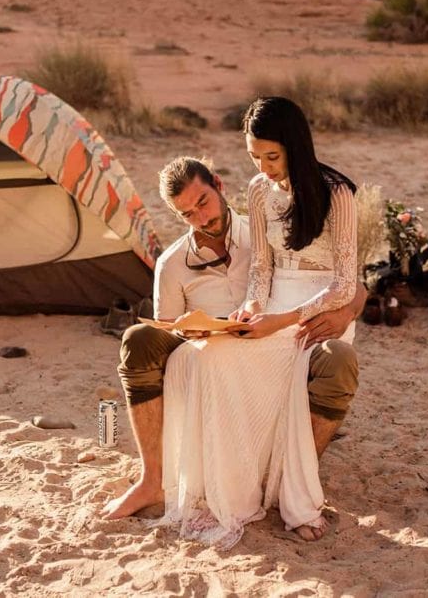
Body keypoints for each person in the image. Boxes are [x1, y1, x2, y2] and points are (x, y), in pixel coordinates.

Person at [101, 155, 364, 524]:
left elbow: (345, 280)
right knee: (138, 339)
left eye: (203, 202)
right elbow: (167, 332)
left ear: (220, 186)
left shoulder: (266, 233)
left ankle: (291, 481)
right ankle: (152, 480)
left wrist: (348, 309)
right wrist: (190, 332)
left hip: (279, 345)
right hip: (208, 351)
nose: (201, 218)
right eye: (187, 214)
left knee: (338, 359)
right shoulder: (172, 264)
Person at [157, 96, 358, 547]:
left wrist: (283, 320)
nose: (264, 167)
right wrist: (251, 308)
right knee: (214, 357)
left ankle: (297, 501)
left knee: (286, 362)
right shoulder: (257, 190)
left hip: (319, 309)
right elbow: (263, 269)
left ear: (294, 146)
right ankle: (228, 489)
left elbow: (346, 285)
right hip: (273, 306)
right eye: (254, 156)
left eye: (272, 155)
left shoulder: (337, 192)